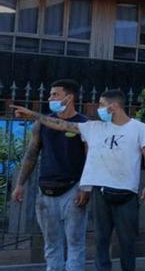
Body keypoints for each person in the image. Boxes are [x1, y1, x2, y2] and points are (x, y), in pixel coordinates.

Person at [15, 89, 145, 271]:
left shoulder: (139, 128)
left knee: (127, 242)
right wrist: (34, 115)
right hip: (101, 192)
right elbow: (60, 124)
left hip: (127, 193)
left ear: (114, 107)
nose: (99, 109)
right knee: (101, 241)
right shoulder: (94, 127)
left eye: (102, 105)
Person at [13, 78, 90, 271]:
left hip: (73, 189)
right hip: (45, 190)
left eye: (55, 94)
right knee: (52, 245)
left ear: (69, 97)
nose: (50, 98)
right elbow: (31, 154)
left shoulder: (84, 124)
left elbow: (92, 159)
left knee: (75, 244)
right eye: (50, 94)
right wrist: (20, 184)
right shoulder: (42, 124)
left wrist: (85, 187)